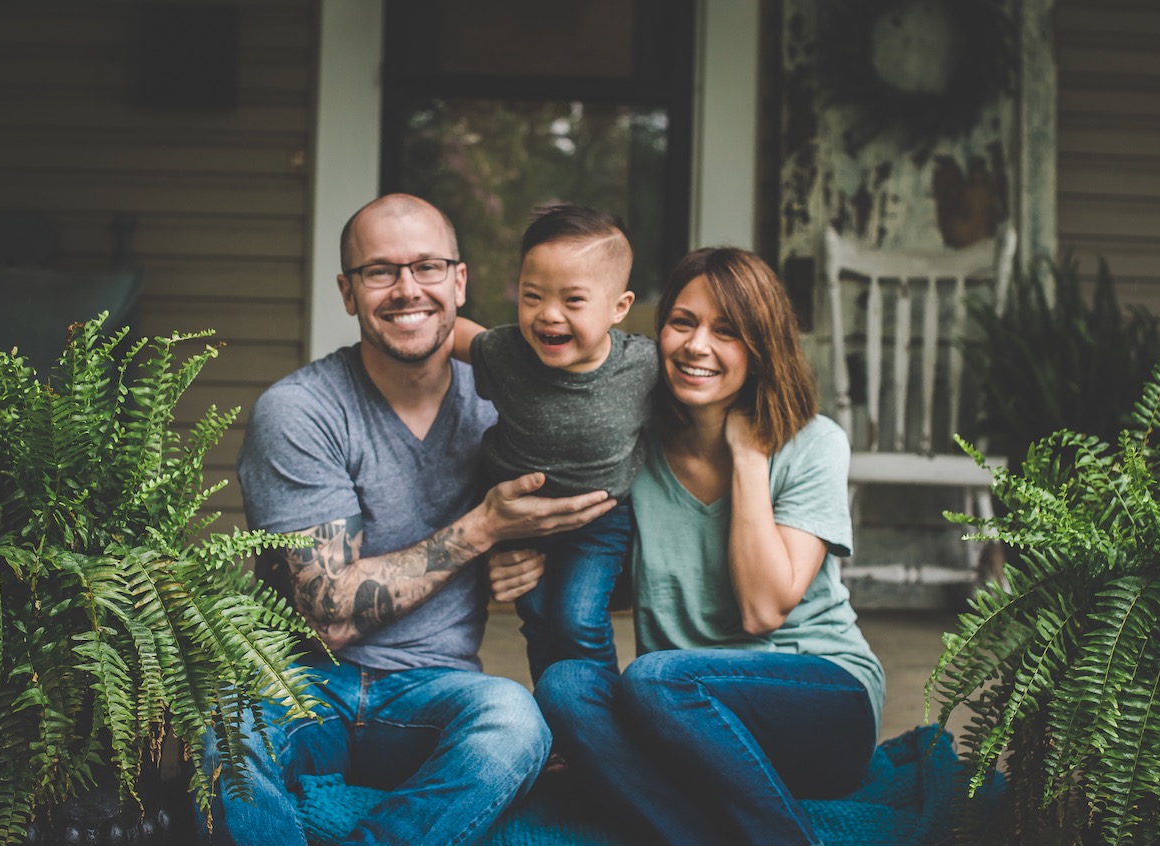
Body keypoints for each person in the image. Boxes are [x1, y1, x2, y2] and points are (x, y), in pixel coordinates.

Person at [204, 193, 616, 846]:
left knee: (515, 723)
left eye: (427, 267)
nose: (406, 290)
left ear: (460, 281)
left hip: (436, 691)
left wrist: (529, 559)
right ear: (347, 292)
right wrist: (483, 530)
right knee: (229, 721)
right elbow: (327, 610)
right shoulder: (301, 412)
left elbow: (599, 397)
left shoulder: (501, 410)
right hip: (301, 682)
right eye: (379, 271)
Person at [531, 247, 887, 846]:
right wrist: (524, 553)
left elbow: (763, 608)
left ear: (763, 346)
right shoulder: (635, 451)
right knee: (565, 685)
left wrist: (749, 455)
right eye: (683, 322)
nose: (697, 346)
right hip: (678, 718)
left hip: (822, 704)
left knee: (654, 678)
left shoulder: (813, 444)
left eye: (727, 332)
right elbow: (614, 578)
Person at [452, 204, 657, 683]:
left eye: (573, 300)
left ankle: (602, 716)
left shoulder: (643, 365)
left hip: (598, 521)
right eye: (532, 296)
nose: (548, 315)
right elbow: (457, 334)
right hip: (520, 519)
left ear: (618, 307)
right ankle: (559, 724)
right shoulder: (506, 354)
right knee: (540, 619)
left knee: (578, 619)